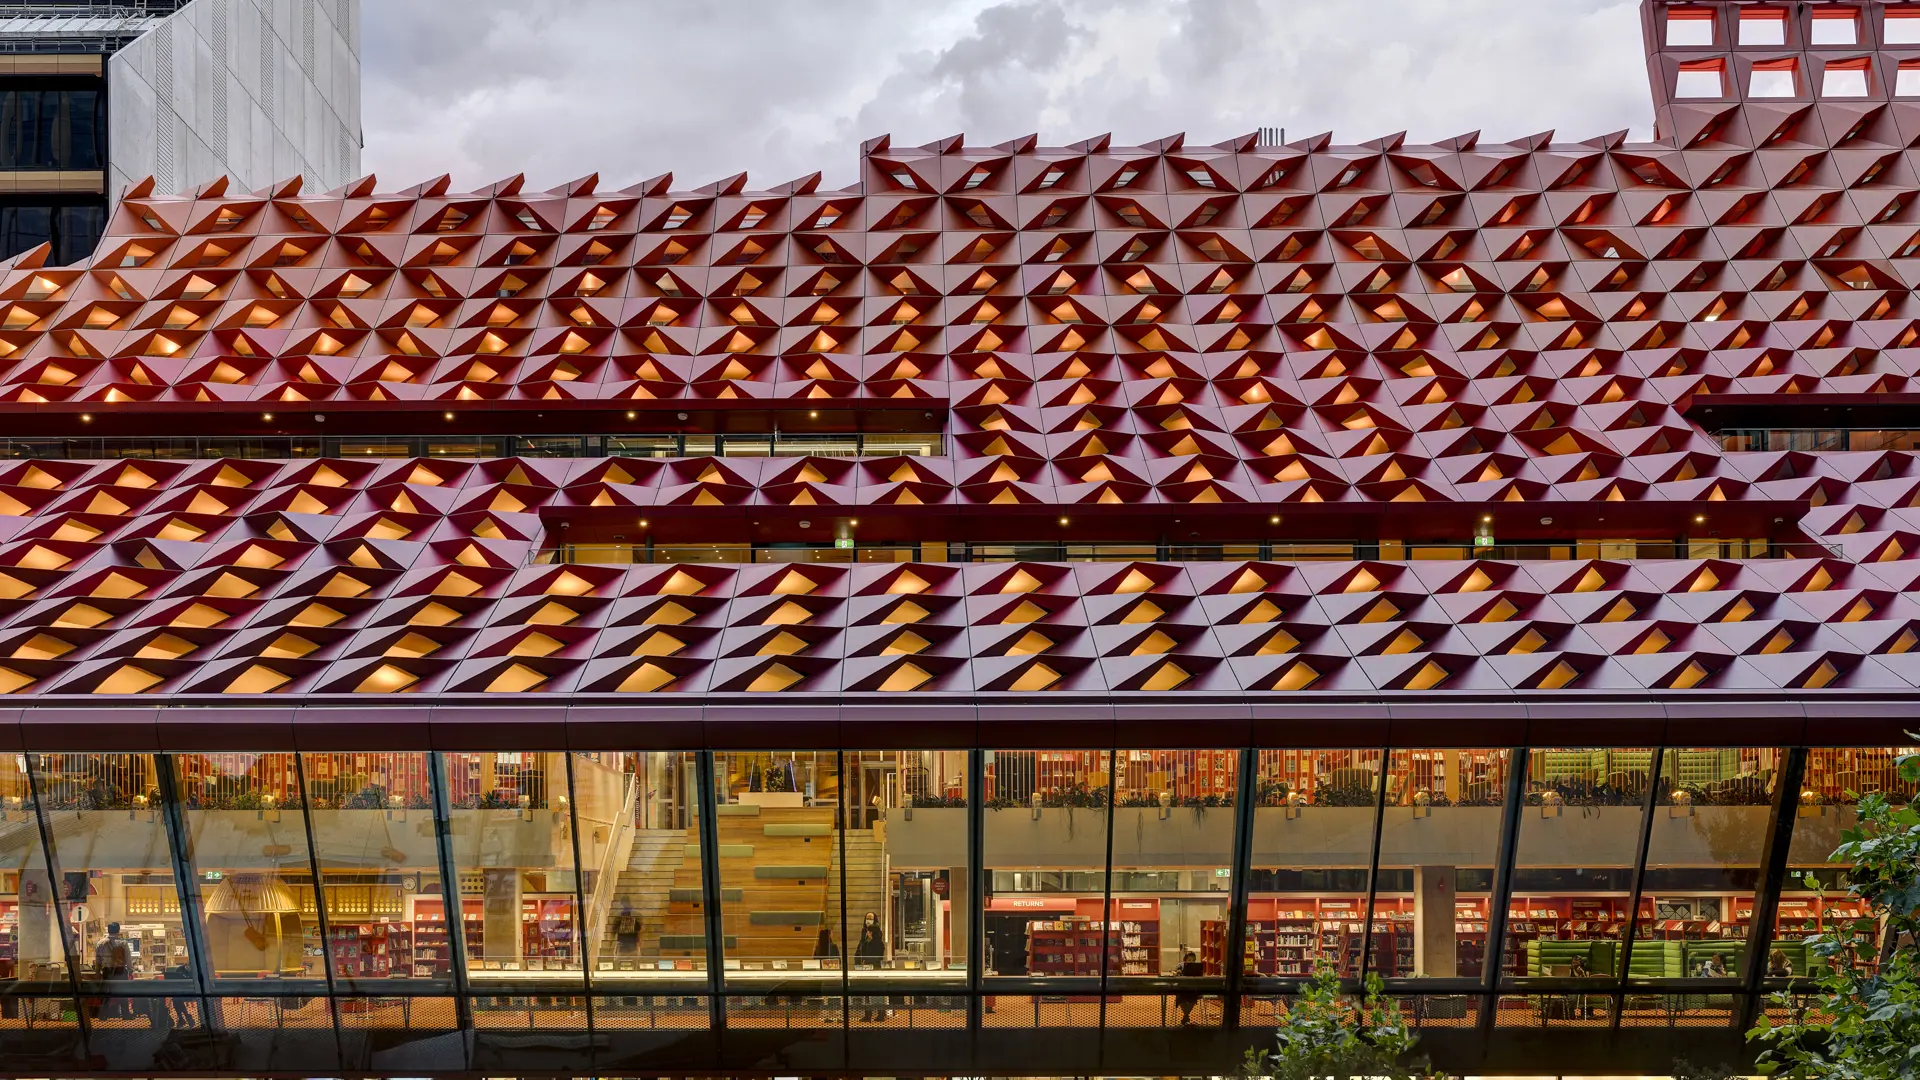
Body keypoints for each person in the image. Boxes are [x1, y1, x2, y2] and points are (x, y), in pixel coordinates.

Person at [93, 923, 131, 1019]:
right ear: (118, 931)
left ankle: (103, 1015)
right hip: (120, 970)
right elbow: (128, 959)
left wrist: (97, 972)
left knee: (106, 994)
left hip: (107, 971)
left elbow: (98, 960)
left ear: (108, 930)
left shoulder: (100, 943)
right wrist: (130, 970)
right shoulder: (123, 943)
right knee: (123, 993)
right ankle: (125, 1014)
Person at [854, 911, 887, 1022]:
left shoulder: (875, 943)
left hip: (872, 969)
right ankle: (870, 1014)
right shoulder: (867, 940)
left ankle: (877, 1013)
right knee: (869, 993)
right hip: (868, 969)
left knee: (874, 993)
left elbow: (873, 956)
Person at [1174, 950, 1205, 1025]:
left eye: (1193, 960)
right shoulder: (1180, 965)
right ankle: (1186, 1015)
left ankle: (1186, 1016)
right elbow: (1175, 973)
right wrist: (1177, 972)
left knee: (1193, 997)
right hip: (1182, 988)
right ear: (1185, 959)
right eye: (1189, 960)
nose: (1191, 962)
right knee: (1181, 997)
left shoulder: (1196, 967)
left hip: (1192, 988)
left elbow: (1200, 976)